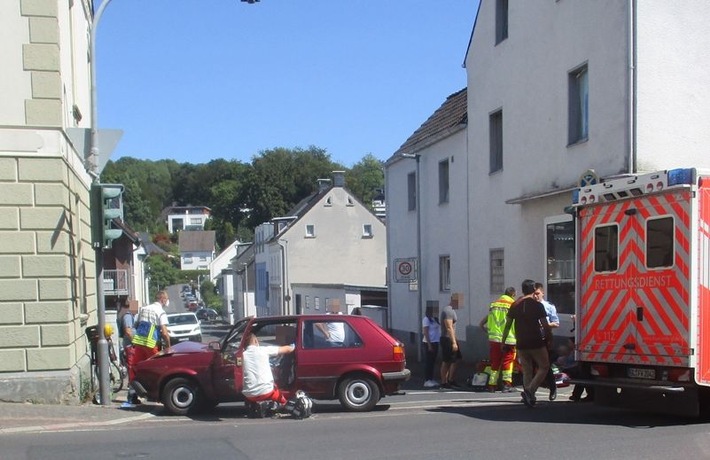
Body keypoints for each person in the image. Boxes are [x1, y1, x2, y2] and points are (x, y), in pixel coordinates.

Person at [501, 280, 553, 407]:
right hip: (536, 342)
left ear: (523, 290)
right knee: (544, 366)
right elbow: (545, 326)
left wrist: (503, 341)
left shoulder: (515, 305)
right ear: (534, 289)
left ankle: (529, 396)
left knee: (527, 370)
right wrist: (549, 339)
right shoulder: (537, 306)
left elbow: (507, 325)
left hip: (521, 343)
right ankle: (530, 390)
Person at [128, 290, 171, 400]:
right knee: (157, 369)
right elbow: (165, 333)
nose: (167, 301)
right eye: (166, 299)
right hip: (151, 344)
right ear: (162, 299)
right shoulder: (160, 311)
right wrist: (168, 347)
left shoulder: (144, 308)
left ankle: (133, 394)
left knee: (136, 368)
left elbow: (136, 325)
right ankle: (156, 394)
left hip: (139, 342)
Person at [241, 332, 295, 407]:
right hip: (266, 392)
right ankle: (285, 405)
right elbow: (288, 350)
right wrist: (294, 345)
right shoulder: (263, 350)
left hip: (249, 395)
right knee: (281, 399)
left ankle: (256, 406)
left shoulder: (242, 355)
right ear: (255, 341)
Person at [479, 287, 517, 393]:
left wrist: (486, 329)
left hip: (494, 338)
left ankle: (492, 385)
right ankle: (507, 384)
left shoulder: (494, 304)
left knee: (495, 362)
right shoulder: (513, 305)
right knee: (508, 361)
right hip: (509, 338)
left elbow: (486, 320)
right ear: (513, 295)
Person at [534, 282, 560, 401]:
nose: (536, 296)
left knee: (545, 366)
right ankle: (530, 392)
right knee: (531, 367)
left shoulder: (548, 306)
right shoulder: (530, 306)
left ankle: (552, 387)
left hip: (545, 339)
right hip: (532, 339)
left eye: (538, 293)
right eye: (534, 294)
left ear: (542, 293)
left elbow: (556, 323)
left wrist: (545, 325)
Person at [117, 300, 139, 405]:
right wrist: (136, 342)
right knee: (132, 371)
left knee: (134, 371)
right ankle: (131, 396)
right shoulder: (128, 316)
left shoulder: (131, 316)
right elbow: (128, 331)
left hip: (131, 347)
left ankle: (134, 395)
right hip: (130, 347)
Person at [440, 293, 463, 389]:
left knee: (456, 359)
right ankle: (444, 382)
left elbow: (453, 328)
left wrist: (456, 340)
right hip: (447, 339)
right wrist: (453, 342)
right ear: (454, 300)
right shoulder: (448, 311)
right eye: (460, 301)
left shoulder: (452, 311)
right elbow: (449, 327)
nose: (461, 304)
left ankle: (451, 380)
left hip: (451, 338)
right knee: (447, 361)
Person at [422, 306, 441, 388]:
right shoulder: (426, 319)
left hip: (435, 342)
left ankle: (431, 378)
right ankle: (427, 380)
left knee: (433, 362)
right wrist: (429, 345)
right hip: (428, 343)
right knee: (428, 362)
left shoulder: (434, 319)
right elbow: (425, 332)